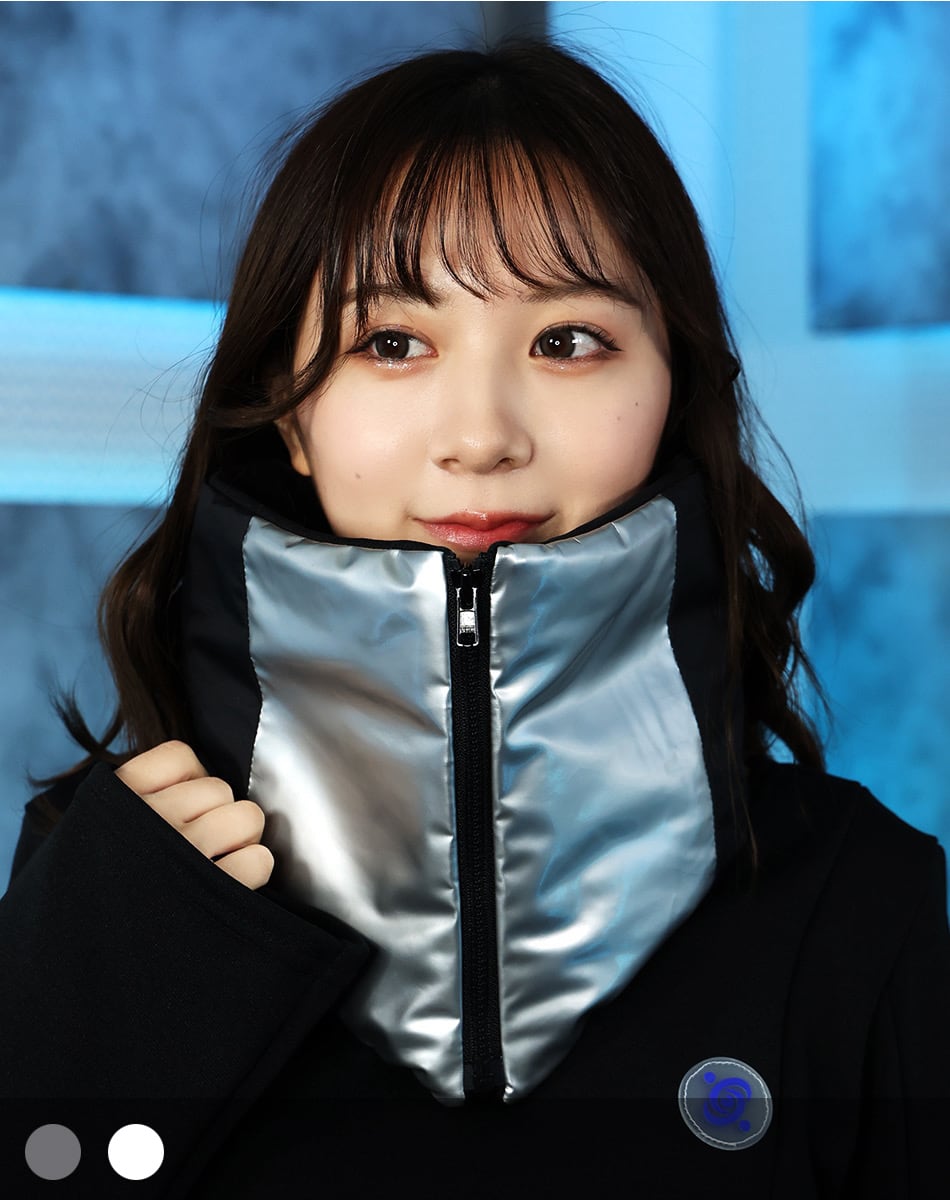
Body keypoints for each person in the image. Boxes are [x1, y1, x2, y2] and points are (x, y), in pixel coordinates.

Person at [2, 39, 948, 1199]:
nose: (480, 435)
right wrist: (96, 984)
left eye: (566, 342)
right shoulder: (117, 878)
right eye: (391, 343)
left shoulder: (856, 898)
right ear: (288, 415)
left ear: (674, 387)